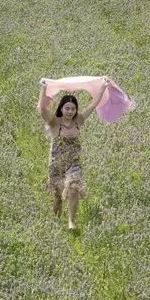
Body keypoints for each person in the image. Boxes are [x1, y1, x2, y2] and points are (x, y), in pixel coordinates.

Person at [38, 77, 109, 229]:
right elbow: (42, 109)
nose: (70, 111)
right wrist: (43, 87)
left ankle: (72, 221)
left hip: (73, 163)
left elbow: (94, 104)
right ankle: (56, 222)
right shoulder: (54, 122)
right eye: (67, 108)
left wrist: (103, 86)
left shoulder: (79, 120)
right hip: (56, 164)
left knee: (74, 188)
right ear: (61, 108)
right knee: (57, 197)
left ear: (76, 110)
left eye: (73, 109)